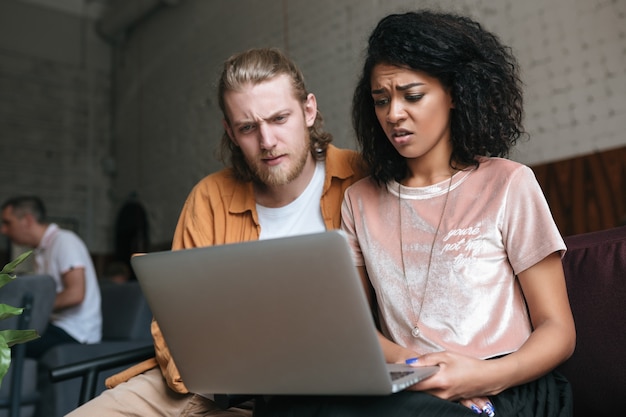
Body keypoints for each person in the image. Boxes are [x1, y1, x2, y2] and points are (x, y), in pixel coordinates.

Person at [258, 10, 576, 417]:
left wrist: (477, 377)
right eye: (381, 100)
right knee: (281, 404)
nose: (393, 114)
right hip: (413, 388)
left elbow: (559, 330)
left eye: (412, 96)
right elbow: (359, 332)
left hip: (508, 386)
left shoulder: (509, 183)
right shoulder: (359, 200)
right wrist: (425, 375)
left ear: (456, 93)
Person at [65, 47, 366, 417]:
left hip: (322, 393)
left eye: (279, 118)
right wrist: (208, 378)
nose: (267, 141)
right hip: (205, 386)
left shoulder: (360, 177)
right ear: (230, 131)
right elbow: (173, 322)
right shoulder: (209, 197)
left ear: (308, 110)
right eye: (248, 127)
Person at [0, 196, 102, 358]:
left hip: (76, 332)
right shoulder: (41, 250)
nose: (3, 230)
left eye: (7, 223)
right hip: (55, 326)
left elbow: (76, 294)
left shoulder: (65, 241)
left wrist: (30, 310)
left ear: (27, 220)